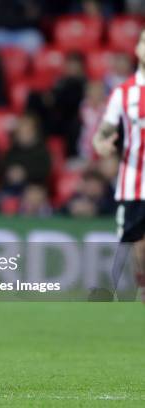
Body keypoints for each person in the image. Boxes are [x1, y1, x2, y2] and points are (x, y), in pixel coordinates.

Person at [93, 28, 145, 302]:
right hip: (134, 184)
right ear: (137, 49)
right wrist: (102, 144)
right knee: (139, 249)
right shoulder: (123, 94)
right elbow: (103, 132)